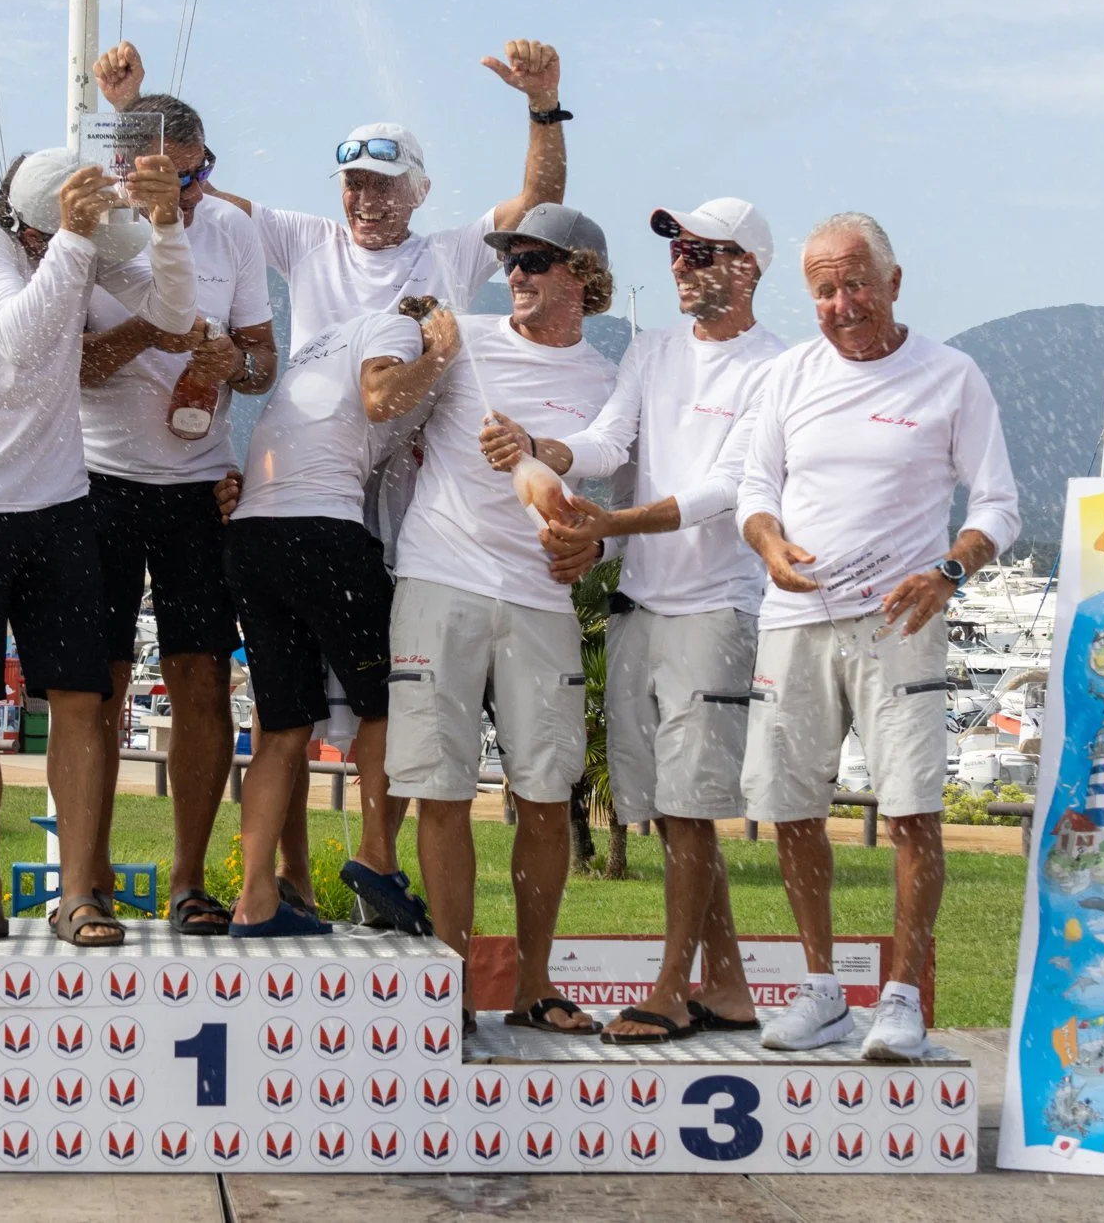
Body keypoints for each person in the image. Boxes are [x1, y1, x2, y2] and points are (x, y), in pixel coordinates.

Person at [103, 36, 570, 934]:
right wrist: (125, 112)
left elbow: (538, 205)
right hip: (313, 495)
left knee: (327, 706)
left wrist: (542, 103)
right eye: (351, 182)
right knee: (349, 699)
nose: (364, 198)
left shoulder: (447, 252)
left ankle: (291, 894)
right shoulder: (304, 239)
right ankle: (344, 880)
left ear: (419, 192)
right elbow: (181, 184)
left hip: (381, 499)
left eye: (383, 184)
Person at [735, 212, 1019, 1059]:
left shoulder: (951, 375)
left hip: (902, 621)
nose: (842, 301)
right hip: (795, 619)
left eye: (857, 281)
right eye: (824, 288)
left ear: (895, 282)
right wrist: (769, 543)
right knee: (791, 809)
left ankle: (900, 997)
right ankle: (821, 989)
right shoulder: (787, 375)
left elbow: (998, 504)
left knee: (912, 810)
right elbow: (756, 489)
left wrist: (948, 571)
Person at [0, 145, 196, 949]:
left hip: (58, 501)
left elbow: (173, 315)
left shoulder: (68, 245)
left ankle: (79, 893)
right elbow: (21, 337)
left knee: (80, 698)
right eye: (61, 236)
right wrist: (73, 243)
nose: (72, 250)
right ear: (29, 224)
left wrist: (167, 226)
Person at [521, 198, 785, 1043]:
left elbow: (726, 491)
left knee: (690, 804)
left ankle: (672, 988)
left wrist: (608, 527)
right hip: (642, 604)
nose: (683, 263)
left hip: (717, 606)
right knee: (675, 808)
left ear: (750, 266)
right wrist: (551, 452)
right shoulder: (651, 348)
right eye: (676, 250)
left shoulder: (780, 368)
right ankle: (734, 986)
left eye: (704, 251)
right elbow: (606, 439)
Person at [390, 206, 619, 1032]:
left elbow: (610, 506)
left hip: (540, 597)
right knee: (441, 790)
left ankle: (534, 985)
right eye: (511, 259)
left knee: (546, 796)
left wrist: (589, 553)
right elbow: (382, 405)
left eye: (536, 260)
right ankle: (448, 986)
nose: (516, 272)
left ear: (583, 278)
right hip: (437, 577)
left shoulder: (607, 379)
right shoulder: (465, 343)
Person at [77, 66, 280, 935]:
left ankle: (189, 879)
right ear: (128, 172)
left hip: (199, 485)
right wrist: (150, 335)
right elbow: (74, 368)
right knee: (98, 686)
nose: (192, 194)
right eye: (172, 179)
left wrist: (235, 364)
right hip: (94, 477)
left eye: (199, 174)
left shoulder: (231, 230)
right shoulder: (91, 230)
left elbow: (267, 361)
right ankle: (85, 880)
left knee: (200, 680)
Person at [215, 297, 461, 936]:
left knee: (282, 726)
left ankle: (256, 900)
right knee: (389, 702)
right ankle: (376, 858)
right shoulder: (395, 331)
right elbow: (382, 398)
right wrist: (441, 352)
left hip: (252, 537)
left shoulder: (322, 343)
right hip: (322, 531)